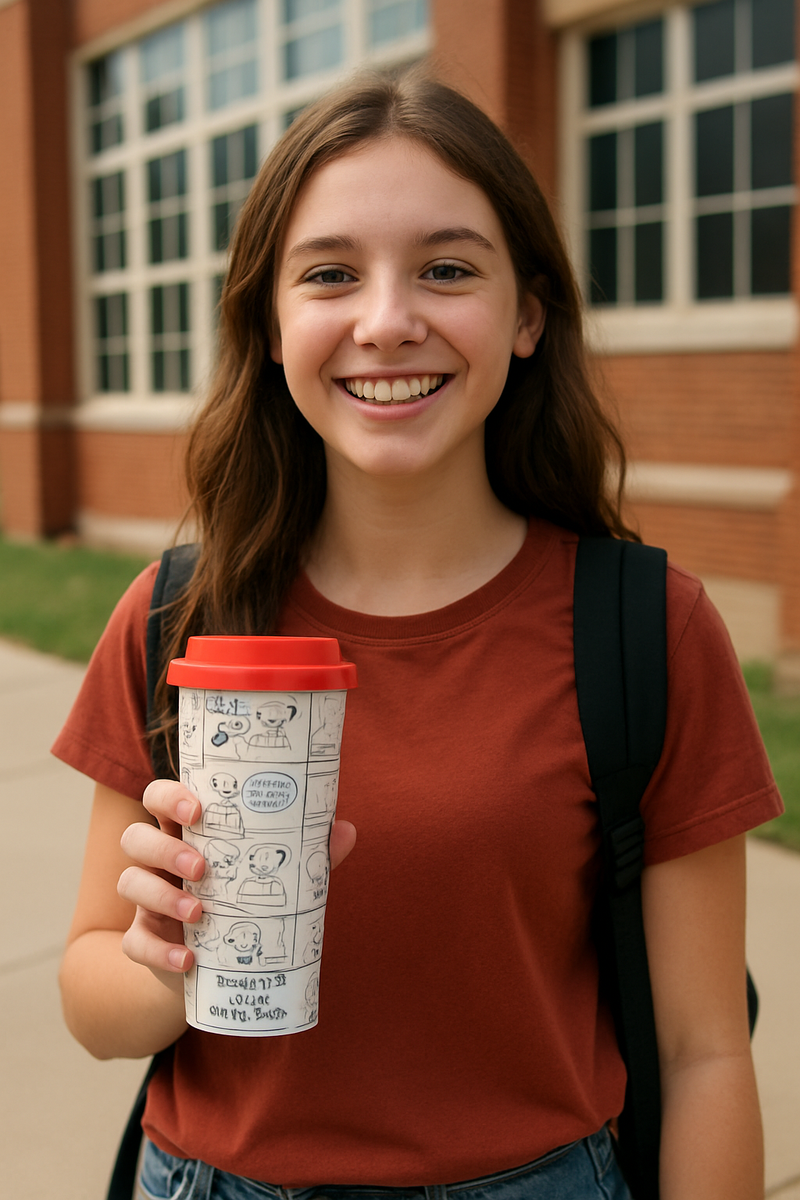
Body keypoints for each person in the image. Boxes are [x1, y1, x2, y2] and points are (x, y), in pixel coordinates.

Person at [54, 67, 782, 1200]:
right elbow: (94, 1003)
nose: (387, 322)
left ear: (528, 313)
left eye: (446, 269)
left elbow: (703, 1055)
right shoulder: (175, 618)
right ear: (269, 324)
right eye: (329, 274)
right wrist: (160, 959)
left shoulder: (646, 628)